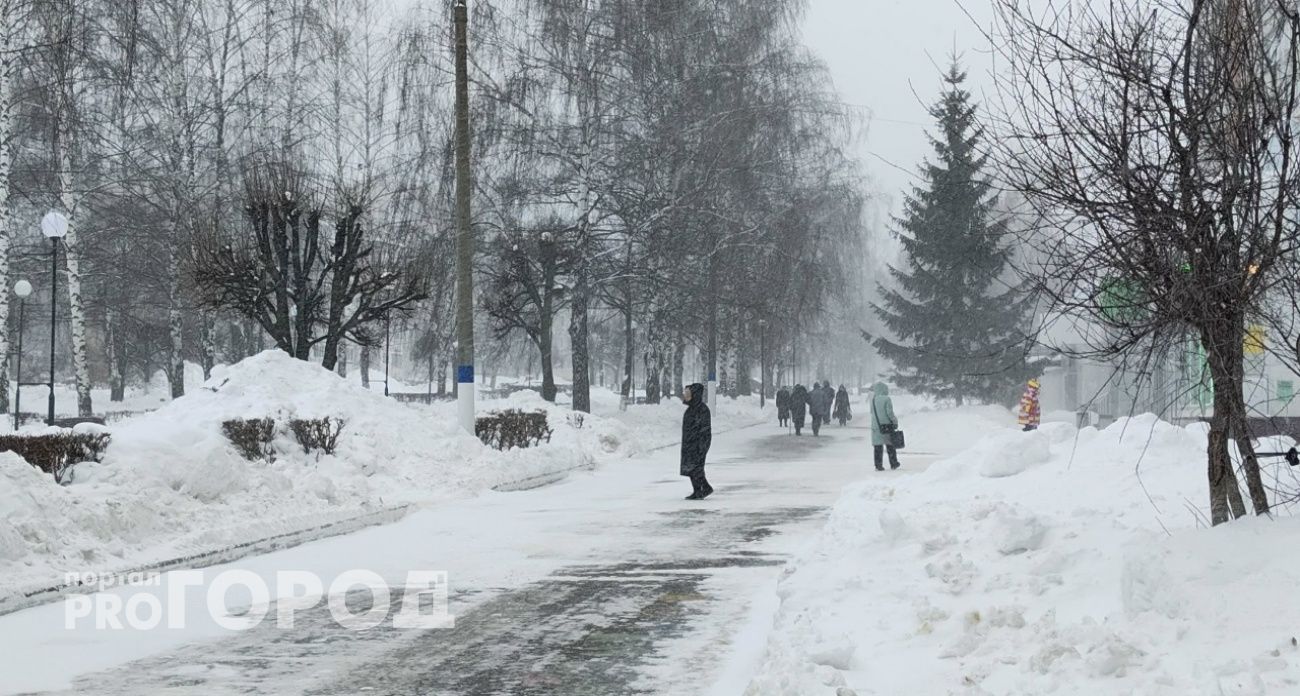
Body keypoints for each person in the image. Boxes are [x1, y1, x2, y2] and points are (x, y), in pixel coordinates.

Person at [680, 383, 713, 500]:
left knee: (696, 468)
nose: (685, 395)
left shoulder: (702, 410)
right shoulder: (691, 409)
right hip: (690, 444)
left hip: (698, 445)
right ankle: (699, 490)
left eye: (688, 394)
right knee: (691, 469)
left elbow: (705, 430)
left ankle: (703, 489)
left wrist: (702, 447)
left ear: (695, 395)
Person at [870, 382, 901, 471]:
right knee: (890, 445)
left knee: (878, 446)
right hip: (886, 425)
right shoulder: (887, 399)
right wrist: (895, 421)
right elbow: (889, 413)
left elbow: (872, 412)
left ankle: (878, 465)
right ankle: (893, 463)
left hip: (876, 426)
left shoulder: (873, 399)